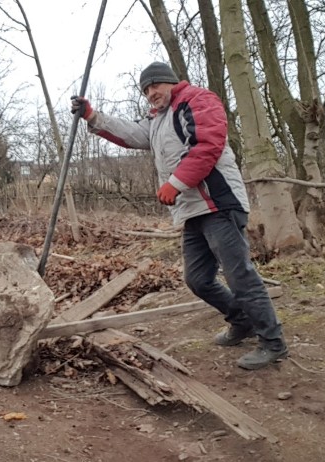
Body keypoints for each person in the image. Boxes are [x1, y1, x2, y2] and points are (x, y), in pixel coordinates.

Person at [71, 61, 288, 370]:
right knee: (197, 279)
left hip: (218, 203)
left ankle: (273, 342)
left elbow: (207, 145)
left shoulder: (197, 100)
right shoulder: (159, 120)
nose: (150, 93)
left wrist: (175, 182)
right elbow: (132, 133)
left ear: (170, 82)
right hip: (192, 211)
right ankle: (242, 321)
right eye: (145, 90)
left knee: (239, 274)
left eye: (155, 85)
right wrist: (93, 116)